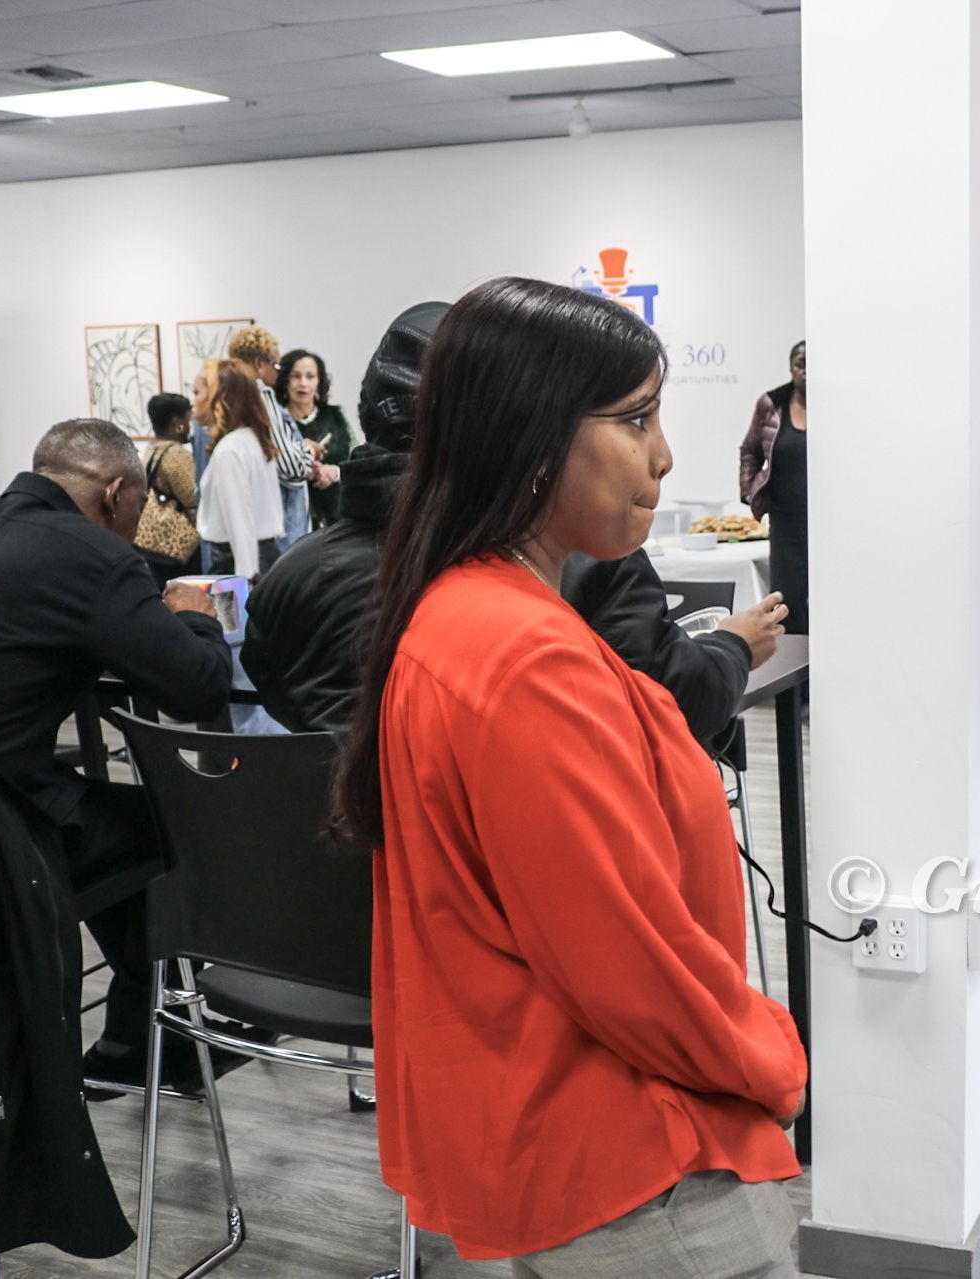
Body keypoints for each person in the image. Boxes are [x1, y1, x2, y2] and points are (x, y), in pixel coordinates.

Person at [333, 278, 805, 1277]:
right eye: (636, 419)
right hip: (633, 1162)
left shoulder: (466, 614)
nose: (664, 454)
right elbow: (627, 962)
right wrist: (767, 1049)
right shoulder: (522, 655)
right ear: (529, 434)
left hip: (567, 1130)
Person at [244, 302, 786, 741]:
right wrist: (731, 647)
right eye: (635, 420)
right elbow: (673, 704)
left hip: (314, 870)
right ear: (510, 417)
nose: (662, 456)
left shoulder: (289, 580)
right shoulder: (555, 567)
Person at [0, 417, 233, 1090]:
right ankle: (142, 1035)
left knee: (116, 825)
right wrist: (190, 610)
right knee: (169, 824)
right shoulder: (93, 555)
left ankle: (128, 1039)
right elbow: (197, 684)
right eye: (138, 509)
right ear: (117, 494)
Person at [225, 324, 323, 550]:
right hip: (281, 533)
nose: (278, 373)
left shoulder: (225, 397)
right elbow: (291, 469)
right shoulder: (261, 396)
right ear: (260, 363)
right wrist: (309, 450)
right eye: (276, 365)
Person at [739, 339, 809, 633]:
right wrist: (749, 491)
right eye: (800, 364)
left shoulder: (840, 408)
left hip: (830, 525)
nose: (806, 371)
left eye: (812, 364)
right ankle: (795, 677)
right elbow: (749, 450)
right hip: (786, 524)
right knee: (788, 606)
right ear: (791, 368)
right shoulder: (772, 404)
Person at [197, 361, 284, 579]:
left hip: (239, 561)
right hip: (262, 556)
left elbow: (240, 523)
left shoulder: (230, 450)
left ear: (219, 397)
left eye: (197, 392)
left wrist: (246, 585)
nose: (193, 401)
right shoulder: (253, 439)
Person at [278, 347, 351, 529]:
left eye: (310, 376)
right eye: (296, 376)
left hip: (336, 519)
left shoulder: (336, 418)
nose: (303, 383)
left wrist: (333, 472)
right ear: (285, 380)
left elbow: (357, 462)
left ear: (319, 381)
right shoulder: (275, 422)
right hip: (288, 520)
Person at [134, 391, 200, 584]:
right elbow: (192, 497)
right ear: (176, 423)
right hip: (179, 546)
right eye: (189, 419)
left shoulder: (153, 447)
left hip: (156, 544)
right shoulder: (175, 454)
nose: (191, 426)